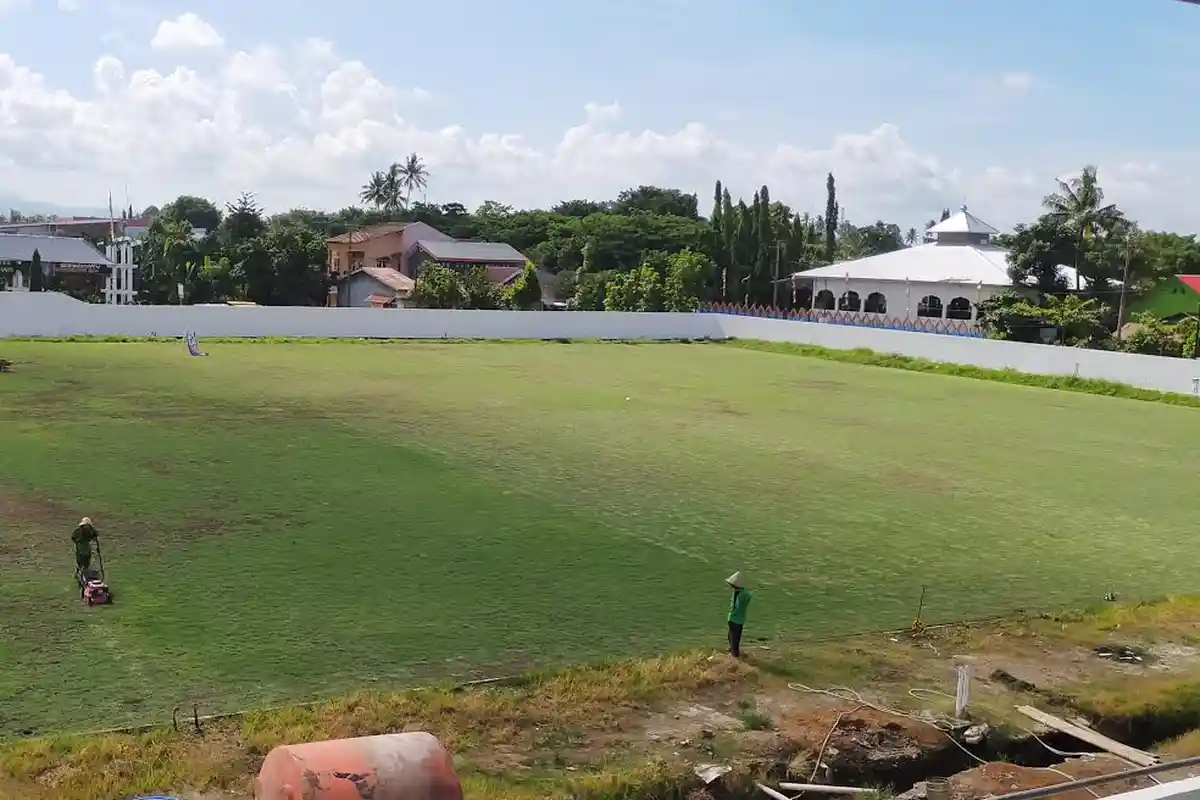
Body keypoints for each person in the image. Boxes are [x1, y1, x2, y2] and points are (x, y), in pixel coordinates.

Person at [725, 571, 751, 658]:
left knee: (734, 637)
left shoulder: (739, 594)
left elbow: (737, 606)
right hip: (737, 619)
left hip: (735, 619)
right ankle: (732, 650)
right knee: (732, 636)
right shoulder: (742, 593)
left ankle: (734, 654)